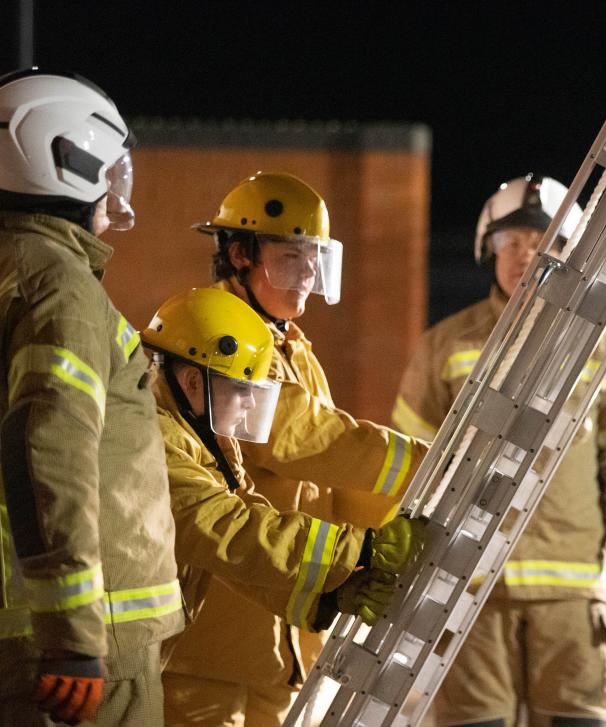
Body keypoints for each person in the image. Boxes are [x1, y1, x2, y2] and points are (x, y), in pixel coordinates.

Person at [393, 174, 606, 727]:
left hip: (571, 594)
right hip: (466, 590)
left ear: (573, 251)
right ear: (486, 248)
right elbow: (407, 461)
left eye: (545, 241)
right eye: (510, 241)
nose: (526, 255)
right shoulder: (444, 346)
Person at [161, 172, 430, 725]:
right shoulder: (217, 345)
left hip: (281, 622)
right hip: (219, 632)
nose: (308, 275)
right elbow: (302, 439)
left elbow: (328, 482)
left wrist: (384, 538)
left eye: (316, 260)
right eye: (291, 259)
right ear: (240, 255)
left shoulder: (291, 346)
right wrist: (431, 467)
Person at [0, 69, 183, 726]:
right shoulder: (58, 285)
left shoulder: (16, 268)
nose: (117, 187)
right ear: (64, 156)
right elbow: (47, 443)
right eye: (110, 167)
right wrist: (72, 635)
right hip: (80, 643)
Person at [143, 287, 424, 669]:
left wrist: (327, 598)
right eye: (242, 390)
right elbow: (229, 529)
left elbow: (238, 521)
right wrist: (359, 548)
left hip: (134, 653)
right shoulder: (153, 440)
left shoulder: (199, 433)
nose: (248, 405)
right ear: (193, 382)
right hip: (110, 659)